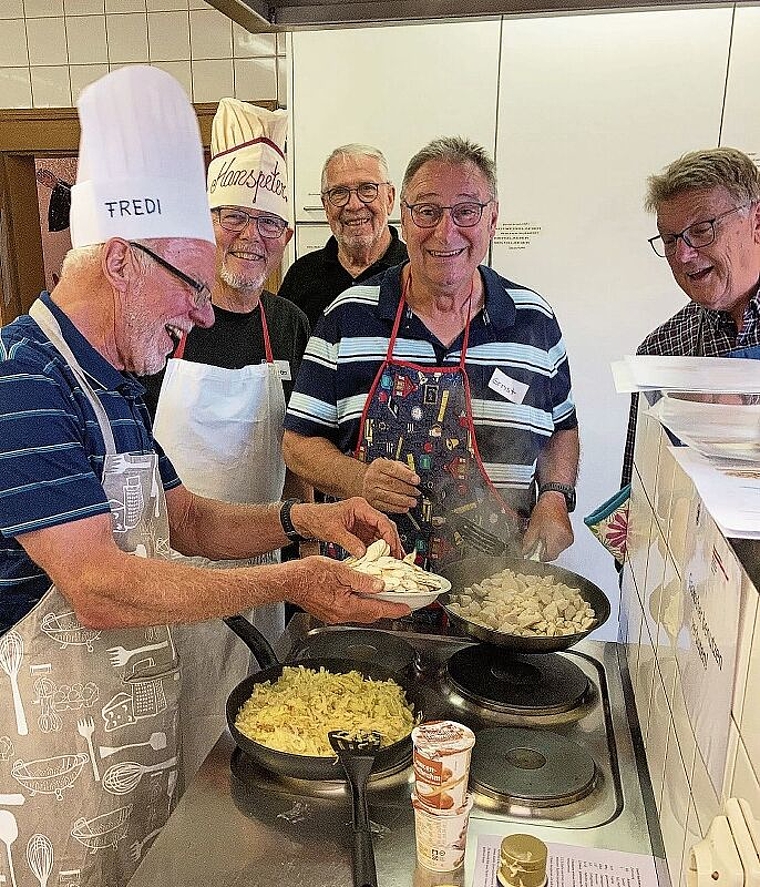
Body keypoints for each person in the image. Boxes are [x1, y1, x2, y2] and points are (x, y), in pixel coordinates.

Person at [0, 66, 408, 887]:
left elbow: (184, 521)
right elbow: (98, 587)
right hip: (51, 763)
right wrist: (302, 578)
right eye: (189, 284)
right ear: (119, 260)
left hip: (124, 738)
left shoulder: (107, 379)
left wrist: (306, 525)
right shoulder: (22, 381)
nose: (199, 311)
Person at [283, 136, 579, 567]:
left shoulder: (534, 321)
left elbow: (562, 428)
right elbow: (297, 442)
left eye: (466, 211)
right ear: (403, 216)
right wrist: (357, 477)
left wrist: (555, 496)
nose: (446, 231)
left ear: (492, 218)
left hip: (499, 589)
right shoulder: (347, 316)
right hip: (372, 585)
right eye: (427, 211)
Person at [139, 98, 312, 782]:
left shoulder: (291, 322)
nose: (252, 236)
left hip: (261, 579)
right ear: (202, 223)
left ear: (286, 234)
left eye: (268, 221)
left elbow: (297, 453)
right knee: (175, 755)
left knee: (256, 748)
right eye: (234, 216)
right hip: (166, 578)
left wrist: (309, 538)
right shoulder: (164, 319)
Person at [621, 147, 760, 487]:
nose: (683, 255)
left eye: (702, 230)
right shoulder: (663, 351)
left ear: (756, 221)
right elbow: (638, 493)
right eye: (670, 240)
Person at [277, 143, 408, 328]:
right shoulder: (301, 276)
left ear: (389, 198)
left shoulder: (417, 272)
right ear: (325, 205)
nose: (354, 205)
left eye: (367, 188)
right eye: (339, 193)